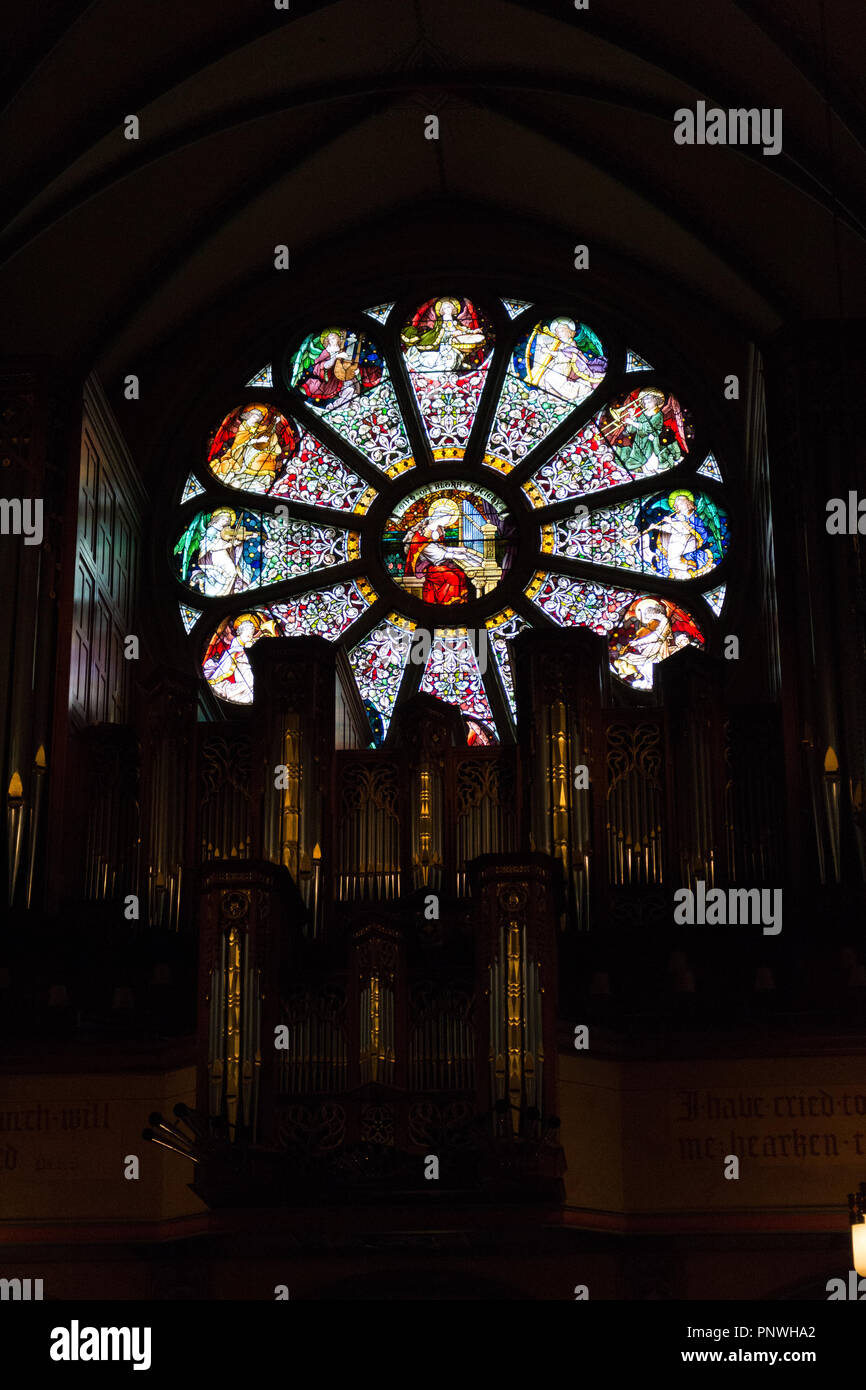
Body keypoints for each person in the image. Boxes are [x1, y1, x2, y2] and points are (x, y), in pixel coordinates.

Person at [403, 498, 481, 605]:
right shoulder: (422, 535)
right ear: (439, 517)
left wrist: (459, 550)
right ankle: (447, 604)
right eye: (447, 519)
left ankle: (459, 602)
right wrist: (456, 556)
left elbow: (441, 548)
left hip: (435, 563)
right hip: (425, 568)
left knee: (460, 574)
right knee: (452, 577)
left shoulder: (437, 530)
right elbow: (435, 553)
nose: (448, 522)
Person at [524, 317, 606, 402]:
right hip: (557, 364)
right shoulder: (559, 342)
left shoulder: (571, 342)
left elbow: (565, 355)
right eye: (557, 331)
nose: (559, 333)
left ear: (570, 332)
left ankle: (575, 391)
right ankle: (556, 398)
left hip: (565, 365)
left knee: (551, 376)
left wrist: (549, 351)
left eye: (562, 331)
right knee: (544, 378)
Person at [295, 329, 380, 411]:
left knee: (351, 388)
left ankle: (346, 405)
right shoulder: (326, 352)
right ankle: (338, 407)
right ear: (327, 340)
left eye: (334, 337)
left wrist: (357, 370)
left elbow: (349, 363)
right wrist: (336, 357)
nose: (332, 339)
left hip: (345, 374)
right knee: (349, 389)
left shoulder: (343, 349)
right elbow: (322, 365)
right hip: (332, 378)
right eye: (330, 338)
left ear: (338, 338)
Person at [402, 297, 487, 373]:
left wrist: (474, 331)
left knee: (457, 352)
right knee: (447, 357)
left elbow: (463, 329)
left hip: (454, 341)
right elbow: (439, 333)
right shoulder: (439, 321)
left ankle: (459, 364)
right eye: (445, 307)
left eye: (449, 307)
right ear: (442, 310)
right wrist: (452, 334)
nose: (447, 309)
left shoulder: (455, 320)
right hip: (443, 344)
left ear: (453, 308)